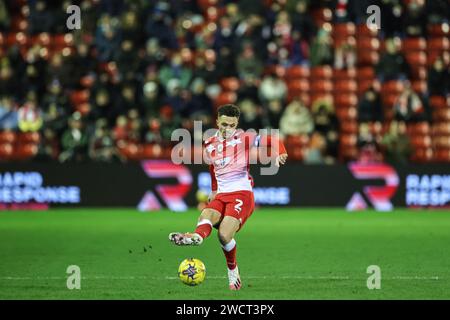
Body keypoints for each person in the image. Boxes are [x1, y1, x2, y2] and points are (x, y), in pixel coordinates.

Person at [169, 104, 288, 290]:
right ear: (217, 122)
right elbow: (212, 167)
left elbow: (271, 138)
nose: (227, 129)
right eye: (224, 124)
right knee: (207, 213)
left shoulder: (244, 138)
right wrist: (214, 190)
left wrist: (281, 151)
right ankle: (197, 237)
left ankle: (233, 271)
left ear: (237, 123)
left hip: (242, 194)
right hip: (222, 194)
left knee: (224, 235)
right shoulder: (210, 143)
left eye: (231, 125)